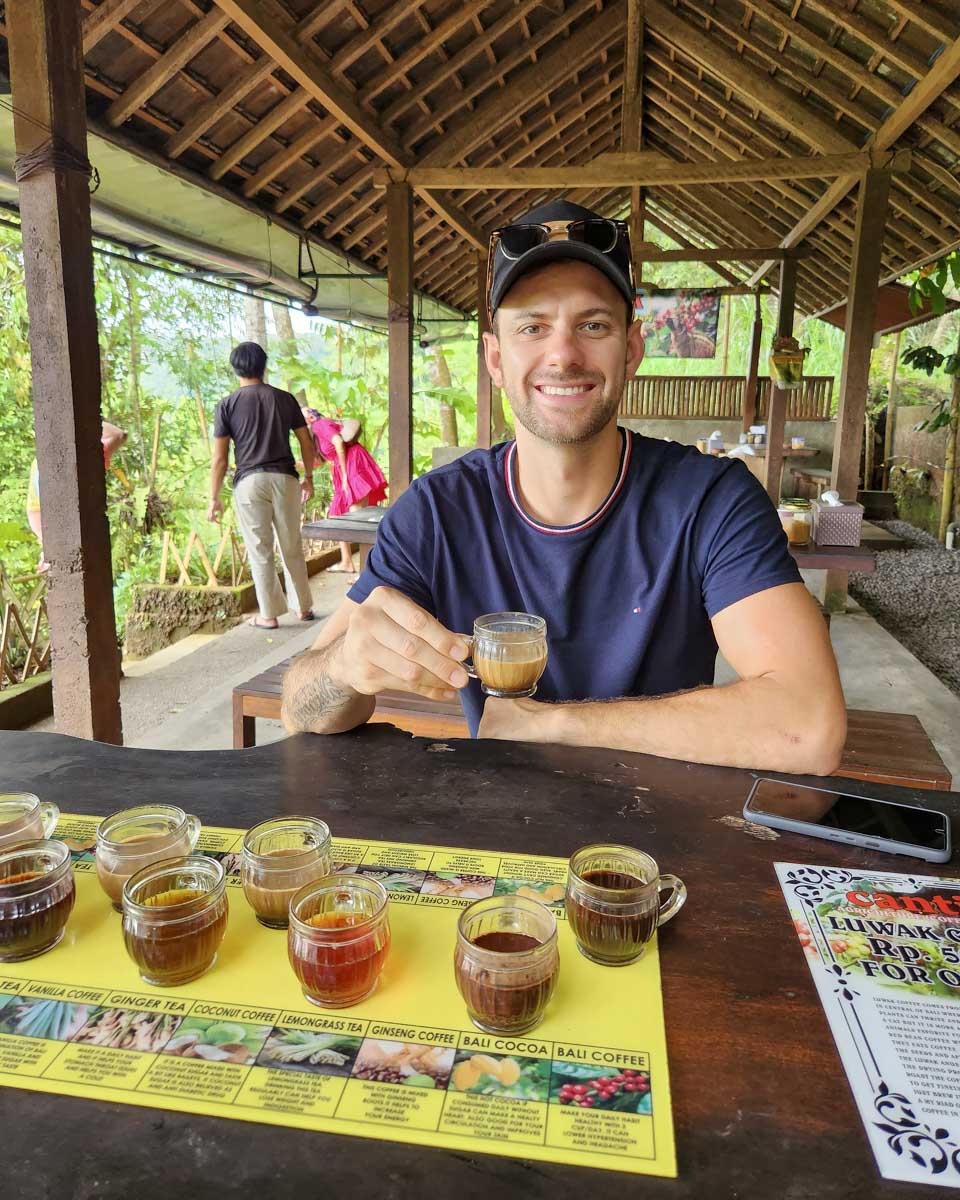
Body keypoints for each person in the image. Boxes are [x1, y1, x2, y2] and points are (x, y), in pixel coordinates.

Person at [281, 200, 846, 775]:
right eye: (533, 326)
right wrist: (344, 667)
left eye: (593, 325)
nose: (563, 354)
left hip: (659, 839)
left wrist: (550, 726)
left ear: (631, 350)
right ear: (496, 357)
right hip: (496, 840)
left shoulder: (711, 500)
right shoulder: (436, 512)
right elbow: (299, 710)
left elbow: (809, 726)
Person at [209, 341, 316, 630]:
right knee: (291, 543)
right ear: (263, 366)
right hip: (284, 478)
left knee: (260, 548)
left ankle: (268, 615)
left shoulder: (227, 404)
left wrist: (214, 497)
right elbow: (306, 441)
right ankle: (303, 608)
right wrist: (309, 478)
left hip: (249, 481)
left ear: (235, 369)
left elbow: (219, 459)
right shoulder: (284, 398)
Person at [26, 421, 127, 574]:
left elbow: (119, 435)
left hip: (90, 542)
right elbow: (34, 509)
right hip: (62, 550)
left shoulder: (86, 455)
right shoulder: (39, 465)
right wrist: (47, 545)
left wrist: (79, 419)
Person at [302, 408, 388, 574]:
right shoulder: (315, 433)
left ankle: (369, 571)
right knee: (337, 513)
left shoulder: (320, 424)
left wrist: (344, 474)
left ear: (311, 417)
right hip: (345, 466)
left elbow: (338, 443)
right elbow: (323, 458)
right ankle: (347, 561)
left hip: (352, 465)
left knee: (357, 514)